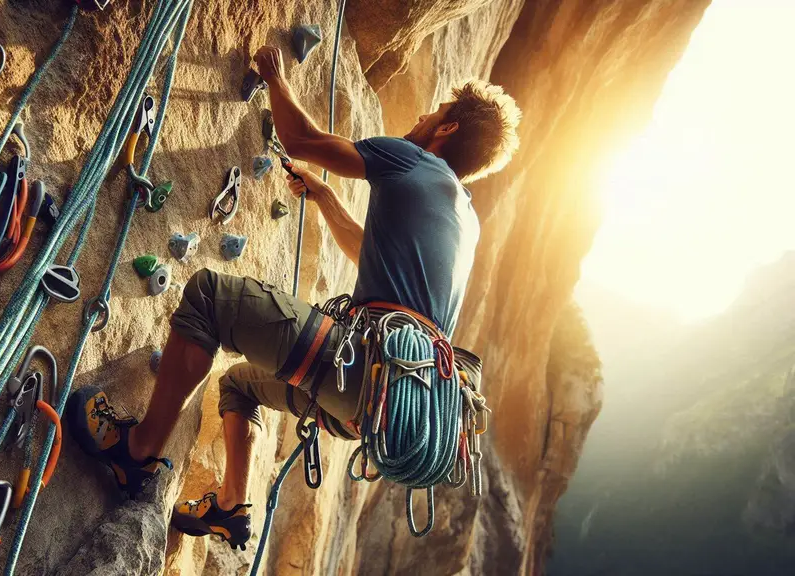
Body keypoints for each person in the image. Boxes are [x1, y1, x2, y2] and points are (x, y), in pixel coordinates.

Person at [66, 45, 521, 550]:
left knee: (208, 297)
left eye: (434, 112)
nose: (422, 115)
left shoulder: (411, 159)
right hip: (376, 409)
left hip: (359, 366)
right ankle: (232, 508)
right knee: (239, 386)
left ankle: (136, 451)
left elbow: (300, 139)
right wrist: (325, 197)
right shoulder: (465, 220)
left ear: (449, 128)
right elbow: (371, 253)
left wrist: (276, 79)